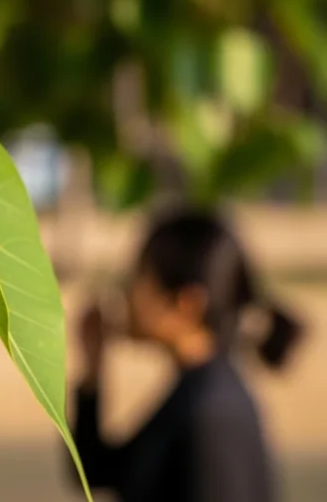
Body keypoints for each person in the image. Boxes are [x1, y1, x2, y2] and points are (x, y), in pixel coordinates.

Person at [71, 210, 302, 502]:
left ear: (186, 303)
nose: (125, 292)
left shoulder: (213, 413)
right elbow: (98, 472)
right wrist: (93, 366)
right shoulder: (199, 392)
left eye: (140, 275)